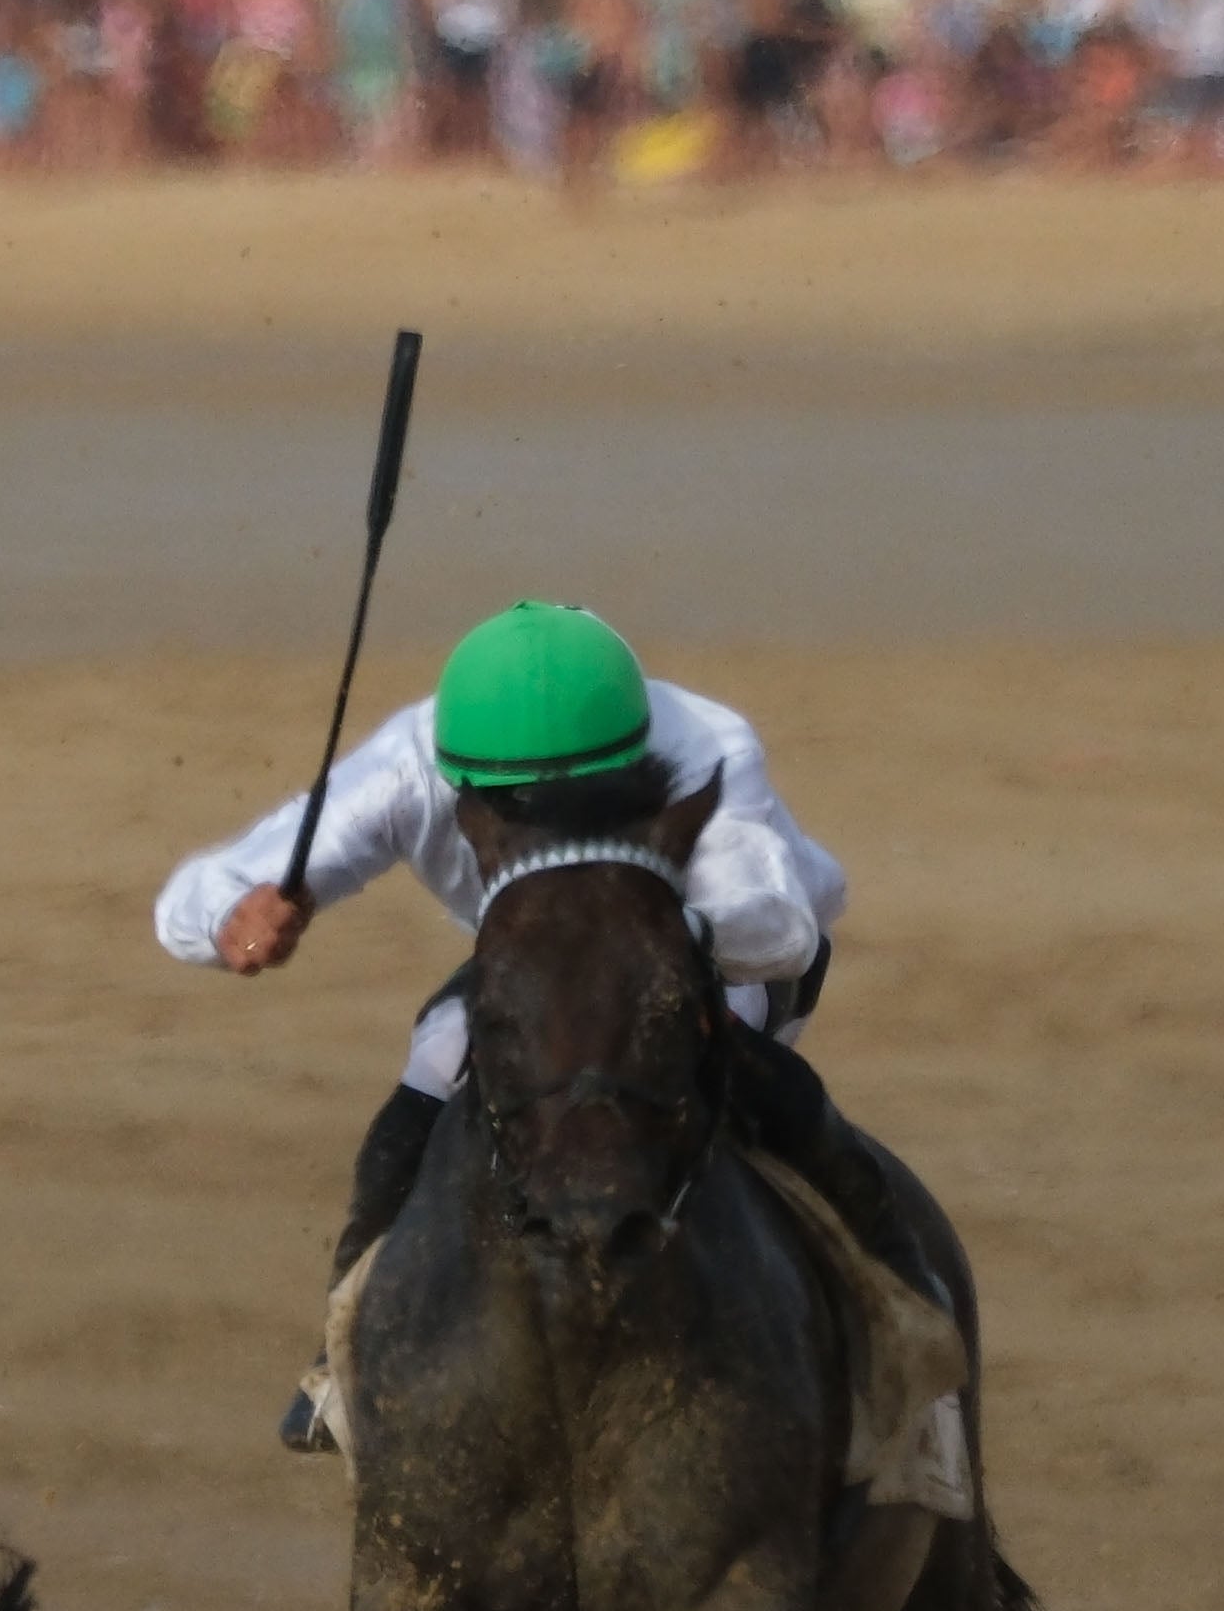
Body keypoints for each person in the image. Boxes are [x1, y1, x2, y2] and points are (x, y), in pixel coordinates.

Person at [151, 598, 919, 1450]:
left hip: (725, 955)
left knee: (724, 1069)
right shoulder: (411, 761)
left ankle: (910, 1325)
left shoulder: (706, 745)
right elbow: (200, 890)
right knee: (434, 1061)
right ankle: (349, 1347)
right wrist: (229, 919)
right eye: (509, 807)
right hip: (540, 964)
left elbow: (778, 928)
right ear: (461, 784)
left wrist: (640, 942)